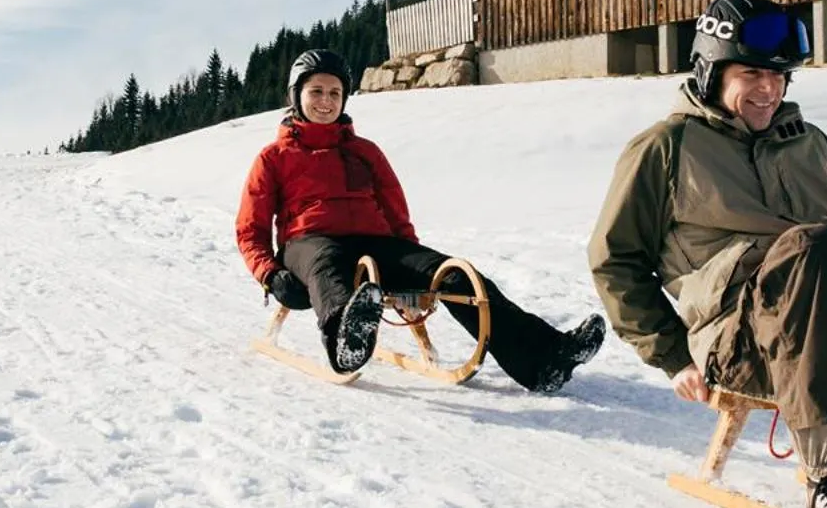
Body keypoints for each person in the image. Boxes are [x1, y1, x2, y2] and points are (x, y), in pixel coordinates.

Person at [588, 0, 827, 508]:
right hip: (736, 338)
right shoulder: (665, 147)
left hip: (824, 315)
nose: (768, 90)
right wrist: (672, 354)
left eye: (779, 76)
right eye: (751, 73)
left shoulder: (808, 142)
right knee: (816, 244)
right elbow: (614, 258)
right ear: (709, 69)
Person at [237, 48, 606, 388]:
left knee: (457, 274)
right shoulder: (273, 158)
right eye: (316, 91)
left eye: (335, 93)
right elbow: (250, 229)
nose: (325, 101)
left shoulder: (365, 152)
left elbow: (395, 212)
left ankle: (544, 359)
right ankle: (345, 343)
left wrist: (413, 266)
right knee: (327, 264)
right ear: (296, 96)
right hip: (308, 243)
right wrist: (269, 275)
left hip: (377, 242)